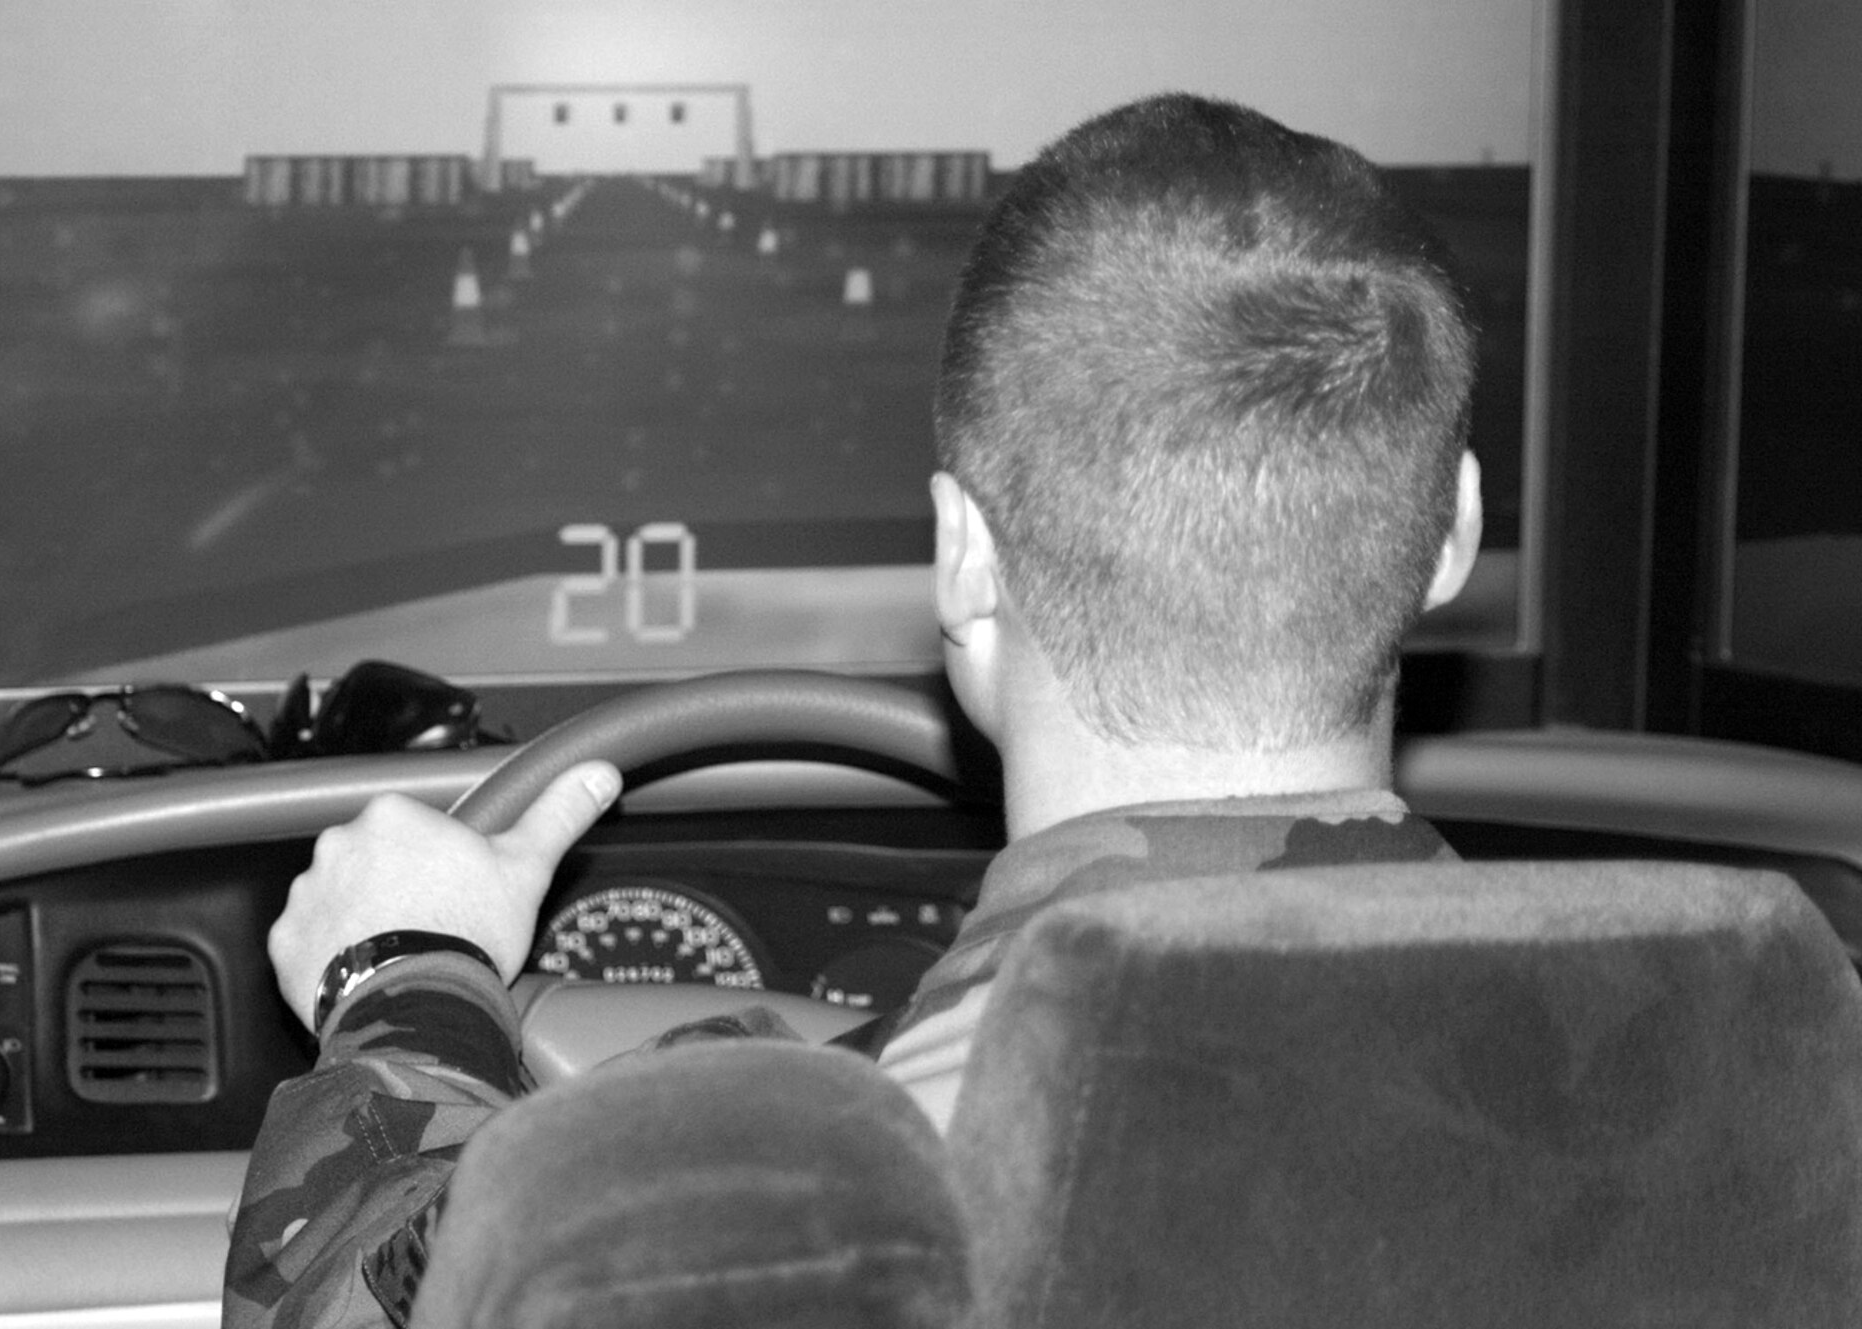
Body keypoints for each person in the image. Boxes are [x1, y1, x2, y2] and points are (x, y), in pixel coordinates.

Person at [223, 91, 1483, 1328]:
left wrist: (398, 978)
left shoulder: (735, 1214)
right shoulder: (1677, 1057)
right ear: (1452, 532)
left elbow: (353, 1293)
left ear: (960, 559)